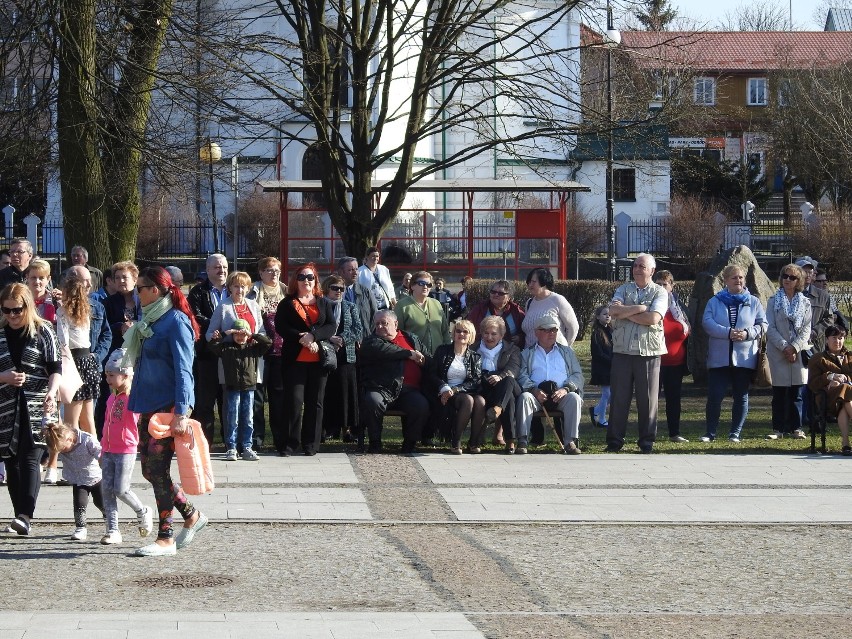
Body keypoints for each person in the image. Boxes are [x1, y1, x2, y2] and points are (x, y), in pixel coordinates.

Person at [125, 265, 207, 557]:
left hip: (167, 408)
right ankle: (191, 515)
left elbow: (185, 371)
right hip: (148, 404)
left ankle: (166, 537)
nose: (136, 294)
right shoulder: (151, 318)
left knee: (158, 470)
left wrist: (182, 412)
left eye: (140, 289)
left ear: (155, 290)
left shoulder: (175, 321)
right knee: (149, 470)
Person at [0, 283, 61, 536]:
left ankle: (26, 514)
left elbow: (56, 368)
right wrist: (4, 377)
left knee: (30, 457)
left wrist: (51, 391)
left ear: (28, 306)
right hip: (6, 405)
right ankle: (19, 515)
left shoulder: (43, 331)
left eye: (17, 310)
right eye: (7, 310)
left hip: (38, 404)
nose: (12, 316)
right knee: (11, 459)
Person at [605, 253, 668, 454]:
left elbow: (653, 318)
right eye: (635, 266)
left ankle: (646, 442)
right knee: (618, 399)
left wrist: (627, 312)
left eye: (642, 266)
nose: (637, 269)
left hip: (648, 352)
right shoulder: (623, 289)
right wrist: (640, 308)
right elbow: (613, 311)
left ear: (652, 271)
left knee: (648, 400)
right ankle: (614, 442)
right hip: (622, 351)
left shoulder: (660, 292)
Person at [274, 263, 336, 456]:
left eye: (310, 277)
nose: (306, 281)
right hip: (295, 361)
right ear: (295, 280)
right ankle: (289, 444)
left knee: (315, 403)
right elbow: (281, 327)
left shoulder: (323, 302)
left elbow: (331, 326)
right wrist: (301, 337)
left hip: (319, 361)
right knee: (293, 402)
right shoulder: (287, 303)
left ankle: (311, 444)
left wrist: (313, 336)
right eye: (302, 277)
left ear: (315, 280)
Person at [702, 265, 768, 443]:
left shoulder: (753, 301)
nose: (738, 280)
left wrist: (747, 334)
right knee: (715, 395)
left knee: (741, 395)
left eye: (741, 277)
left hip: (744, 358)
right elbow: (707, 323)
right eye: (734, 278)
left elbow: (763, 325)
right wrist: (727, 333)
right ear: (725, 281)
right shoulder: (715, 301)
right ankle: (710, 433)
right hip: (719, 358)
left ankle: (735, 433)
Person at [206, 270, 264, 452]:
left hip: (251, 360)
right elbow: (209, 335)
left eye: (244, 286)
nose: (240, 290)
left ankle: (247, 444)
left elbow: (262, 332)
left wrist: (254, 337)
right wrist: (221, 336)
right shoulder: (223, 307)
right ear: (230, 287)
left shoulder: (253, 305)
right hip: (230, 361)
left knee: (249, 407)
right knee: (232, 407)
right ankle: (231, 444)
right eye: (236, 286)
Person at [99, 349, 153, 544]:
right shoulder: (111, 398)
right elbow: (106, 423)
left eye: (112, 375)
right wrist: (102, 446)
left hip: (126, 450)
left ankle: (142, 510)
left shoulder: (133, 398)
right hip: (108, 450)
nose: (108, 379)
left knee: (121, 489)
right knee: (106, 490)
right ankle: (112, 530)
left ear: (126, 375)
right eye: (107, 375)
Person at [358, 310, 429, 454]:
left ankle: (409, 444)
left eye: (384, 323)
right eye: (377, 324)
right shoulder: (371, 341)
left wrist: (423, 361)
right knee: (372, 401)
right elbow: (384, 349)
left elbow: (427, 356)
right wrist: (410, 354)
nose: (379, 327)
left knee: (421, 405)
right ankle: (375, 443)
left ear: (395, 324)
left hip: (409, 391)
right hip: (381, 388)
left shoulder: (411, 338)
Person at [515, 315, 584, 455]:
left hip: (561, 395)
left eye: (554, 330)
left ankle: (570, 441)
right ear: (537, 332)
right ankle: (522, 441)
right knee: (525, 398)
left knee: (574, 398)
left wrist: (565, 389)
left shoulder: (567, 352)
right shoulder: (527, 354)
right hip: (537, 395)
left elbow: (577, 375)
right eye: (546, 330)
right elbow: (522, 375)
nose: (551, 333)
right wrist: (534, 390)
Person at [208, 318, 272, 462]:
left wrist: (252, 335)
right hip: (232, 388)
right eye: (237, 334)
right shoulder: (227, 348)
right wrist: (225, 334)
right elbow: (212, 346)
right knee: (233, 418)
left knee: (248, 419)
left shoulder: (253, 349)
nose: (240, 337)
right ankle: (231, 447)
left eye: (243, 334)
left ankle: (247, 446)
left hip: (249, 388)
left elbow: (268, 343)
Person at [56, 266, 104, 439]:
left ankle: (74, 462)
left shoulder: (62, 312)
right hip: (88, 362)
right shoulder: (87, 310)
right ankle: (97, 459)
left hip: (73, 363)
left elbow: (63, 342)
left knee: (71, 421)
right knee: (88, 419)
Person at [766, 264, 812, 441]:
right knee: (779, 394)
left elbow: (807, 329)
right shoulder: (773, 300)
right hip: (779, 352)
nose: (787, 280)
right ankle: (778, 429)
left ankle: (797, 428)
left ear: (798, 281)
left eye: (792, 277)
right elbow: (769, 327)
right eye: (785, 276)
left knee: (797, 393)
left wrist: (795, 347)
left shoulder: (805, 303)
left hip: (798, 352)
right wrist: (785, 347)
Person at [188, 253, 229, 444]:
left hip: (231, 353)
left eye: (224, 267)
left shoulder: (234, 289)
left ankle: (230, 441)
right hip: (207, 354)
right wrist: (219, 325)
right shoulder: (197, 292)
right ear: (208, 269)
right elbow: (195, 316)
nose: (221, 270)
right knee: (205, 401)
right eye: (217, 267)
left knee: (228, 401)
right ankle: (205, 442)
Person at [248, 257, 287, 451]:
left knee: (279, 397)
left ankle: (280, 437)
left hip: (281, 352)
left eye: (277, 271)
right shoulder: (253, 292)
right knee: (257, 396)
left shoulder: (286, 292)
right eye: (270, 270)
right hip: (259, 352)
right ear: (261, 273)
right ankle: (257, 437)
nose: (274, 274)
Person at [429, 319, 484, 454]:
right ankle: (456, 442)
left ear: (471, 335)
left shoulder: (475, 356)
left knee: (480, 401)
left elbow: (475, 381)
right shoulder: (442, 351)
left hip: (463, 390)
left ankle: (473, 442)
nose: (462, 334)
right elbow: (432, 374)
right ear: (453, 334)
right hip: (443, 390)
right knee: (468, 400)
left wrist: (456, 389)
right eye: (458, 331)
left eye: (466, 332)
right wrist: (444, 388)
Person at [44, 422, 104, 541]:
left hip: (95, 477)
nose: (63, 452)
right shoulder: (59, 442)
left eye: (63, 449)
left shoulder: (87, 440)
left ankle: (110, 522)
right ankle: (81, 528)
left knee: (101, 503)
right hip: (78, 479)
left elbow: (100, 453)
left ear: (70, 439)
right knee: (79, 504)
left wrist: (106, 464)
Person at [320, 275, 362, 442]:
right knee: (326, 393)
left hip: (346, 355)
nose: (338, 291)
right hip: (324, 354)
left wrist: (342, 339)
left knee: (346, 394)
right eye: (334, 288)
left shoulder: (351, 307)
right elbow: (314, 327)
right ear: (326, 289)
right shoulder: (320, 306)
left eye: (341, 289)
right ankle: (326, 429)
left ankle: (347, 429)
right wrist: (330, 338)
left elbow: (358, 329)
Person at [654, 270, 691, 443]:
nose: (662, 287)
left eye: (665, 284)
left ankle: (674, 433)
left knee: (674, 399)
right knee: (651, 399)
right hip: (654, 361)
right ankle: (649, 433)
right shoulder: (651, 305)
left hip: (676, 362)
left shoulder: (679, 307)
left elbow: (688, 329)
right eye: (658, 284)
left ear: (671, 286)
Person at [474, 316, 521, 448]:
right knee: (509, 397)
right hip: (484, 387)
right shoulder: (474, 348)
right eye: (486, 333)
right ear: (481, 333)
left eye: (494, 334)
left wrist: (500, 377)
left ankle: (498, 408)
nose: (489, 337)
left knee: (509, 380)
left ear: (501, 335)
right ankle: (510, 441)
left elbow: (514, 369)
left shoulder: (512, 349)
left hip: (507, 384)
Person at [807, 325, 852, 456]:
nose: (838, 341)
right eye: (834, 338)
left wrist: (844, 378)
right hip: (826, 399)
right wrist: (829, 377)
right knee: (846, 389)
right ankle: (845, 444)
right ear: (827, 339)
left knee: (845, 401)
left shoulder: (850, 357)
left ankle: (845, 444)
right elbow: (812, 384)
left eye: (841, 338)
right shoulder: (818, 358)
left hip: (846, 399)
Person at [520, 267, 579, 348]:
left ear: (544, 281)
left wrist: (565, 348)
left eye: (533, 282)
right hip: (532, 356)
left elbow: (573, 327)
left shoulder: (557, 300)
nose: (530, 285)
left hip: (555, 355)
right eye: (529, 282)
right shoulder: (529, 303)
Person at [395, 271, 449, 356]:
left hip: (438, 357)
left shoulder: (437, 304)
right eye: (421, 283)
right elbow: (397, 334)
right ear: (412, 286)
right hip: (414, 358)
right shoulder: (402, 306)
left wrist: (448, 352)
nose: (425, 287)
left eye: (429, 285)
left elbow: (445, 331)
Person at [466, 280, 526, 348]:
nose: (496, 294)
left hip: (510, 352)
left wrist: (520, 337)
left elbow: (526, 331)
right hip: (482, 349)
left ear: (509, 297)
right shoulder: (479, 309)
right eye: (493, 292)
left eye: (500, 293)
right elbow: (468, 328)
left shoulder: (516, 311)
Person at [337, 256, 377, 342]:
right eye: (350, 270)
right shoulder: (332, 292)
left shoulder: (365, 292)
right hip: (340, 343)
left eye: (356, 269)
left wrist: (368, 337)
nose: (355, 273)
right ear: (341, 272)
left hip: (363, 342)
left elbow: (375, 317)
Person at [589, 305, 612, 429]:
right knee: (607, 393)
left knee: (612, 394)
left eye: (609, 314)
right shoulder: (597, 333)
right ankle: (601, 419)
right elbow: (597, 353)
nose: (608, 316)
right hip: (602, 368)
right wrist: (610, 361)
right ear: (598, 317)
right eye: (604, 314)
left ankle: (596, 410)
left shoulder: (611, 330)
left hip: (611, 367)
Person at [357, 246, 396, 311]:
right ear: (367, 257)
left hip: (384, 306)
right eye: (373, 256)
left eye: (377, 256)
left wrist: (394, 301)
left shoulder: (384, 269)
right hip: (368, 307)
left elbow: (390, 287)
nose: (375, 258)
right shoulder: (360, 271)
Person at [26, 259, 56, 325]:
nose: (37, 281)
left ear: (48, 279)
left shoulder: (55, 301)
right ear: (27, 277)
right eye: (33, 277)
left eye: (41, 278)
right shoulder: (21, 299)